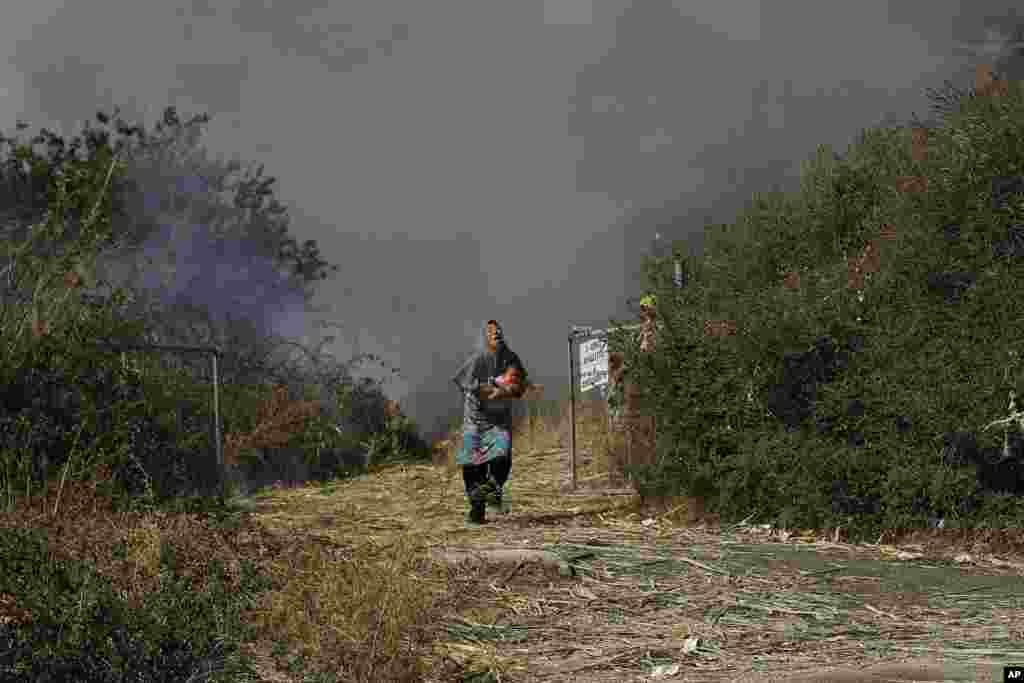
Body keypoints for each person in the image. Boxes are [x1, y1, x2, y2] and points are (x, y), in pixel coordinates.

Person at [452, 319, 528, 524]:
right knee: (472, 466)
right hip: (475, 420)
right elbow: (463, 382)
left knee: (501, 460)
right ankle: (477, 509)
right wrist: (488, 390)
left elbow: (521, 386)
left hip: (499, 421)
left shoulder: (511, 359)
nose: (497, 334)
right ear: (486, 337)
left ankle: (492, 491)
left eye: (499, 330)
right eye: (492, 332)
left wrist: (508, 389)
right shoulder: (478, 359)